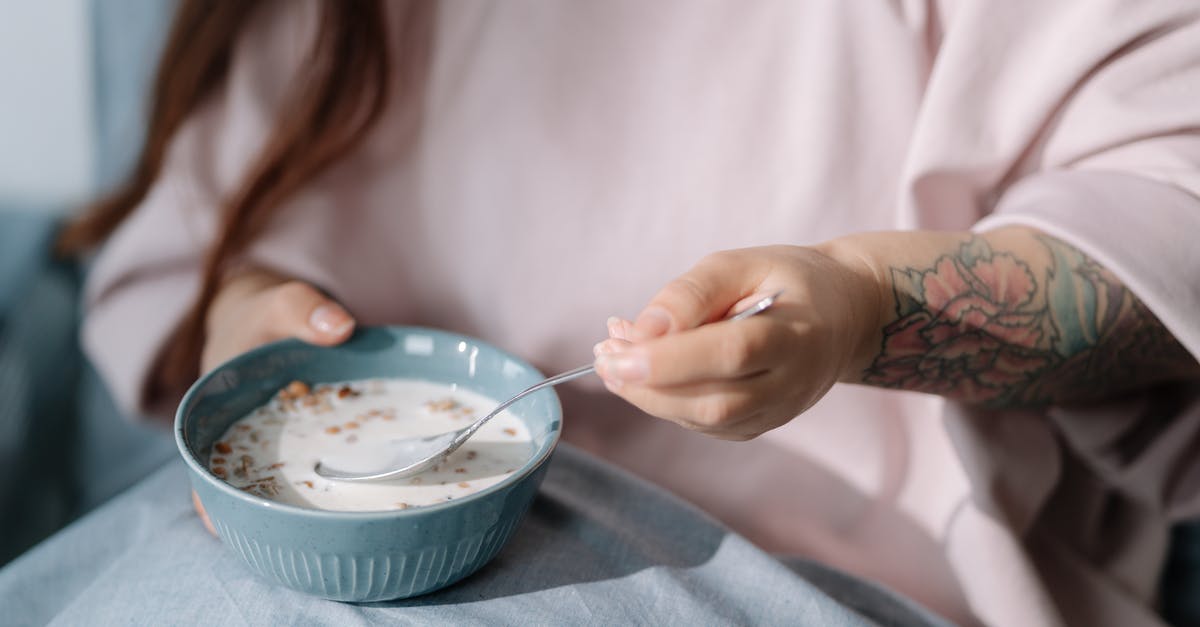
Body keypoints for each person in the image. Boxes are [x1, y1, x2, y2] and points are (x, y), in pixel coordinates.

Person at [60, 1, 1200, 625]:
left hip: (823, 576)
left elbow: (1164, 221)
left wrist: (869, 307)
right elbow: (197, 245)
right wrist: (247, 313)